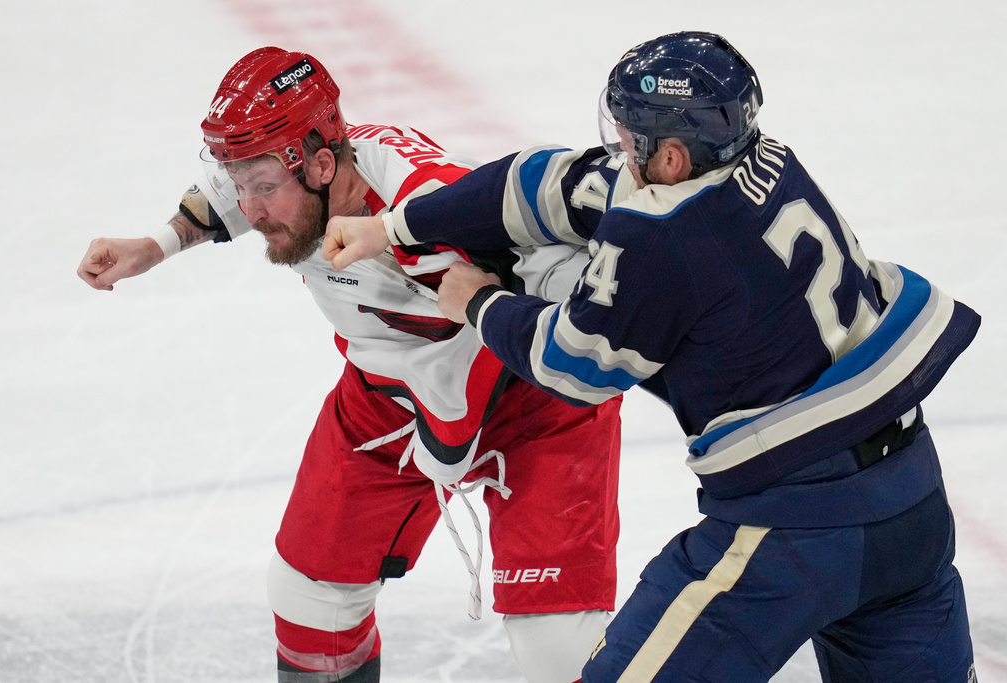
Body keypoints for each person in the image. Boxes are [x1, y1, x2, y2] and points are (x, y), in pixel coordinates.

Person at [323, 31, 981, 682]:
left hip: (795, 531)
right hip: (914, 505)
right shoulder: (766, 159)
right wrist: (393, 226)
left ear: (671, 157)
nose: (621, 152)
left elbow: (572, 365)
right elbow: (546, 182)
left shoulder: (665, 232)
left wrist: (478, 302)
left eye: (633, 139)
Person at [77, 47, 624, 683]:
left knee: (558, 652)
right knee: (309, 600)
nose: (251, 212)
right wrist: (157, 244)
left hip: (535, 405)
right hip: (385, 400)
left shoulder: (437, 204)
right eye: (242, 185)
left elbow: (583, 290)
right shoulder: (291, 178)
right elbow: (222, 194)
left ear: (322, 164)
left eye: (264, 189)